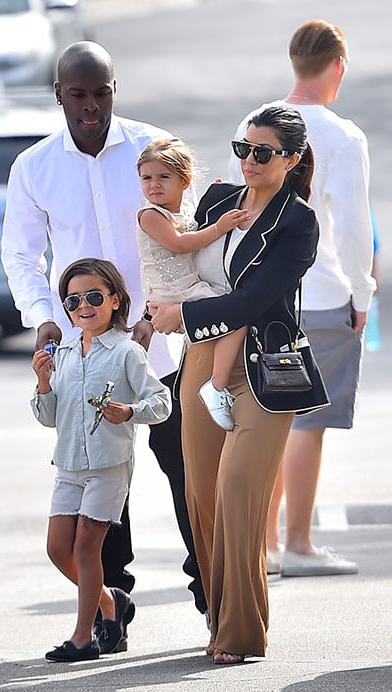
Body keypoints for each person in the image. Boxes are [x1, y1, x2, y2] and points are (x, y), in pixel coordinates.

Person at [1, 40, 208, 644]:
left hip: (163, 347)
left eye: (101, 93)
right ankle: (111, 609)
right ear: (59, 94)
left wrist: (160, 314)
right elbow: (21, 255)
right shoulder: (34, 167)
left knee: (188, 475)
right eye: (78, 94)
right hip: (84, 355)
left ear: (114, 91)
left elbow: (187, 235)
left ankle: (213, 599)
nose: (91, 106)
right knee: (98, 484)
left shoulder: (152, 149)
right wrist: (43, 315)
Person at [150, 105, 330, 663]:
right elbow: (175, 250)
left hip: (265, 367)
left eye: (263, 152)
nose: (249, 160)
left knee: (237, 492)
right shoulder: (217, 202)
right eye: (243, 148)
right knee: (201, 496)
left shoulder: (297, 222)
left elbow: (255, 300)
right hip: (202, 362)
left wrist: (185, 317)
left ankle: (241, 633)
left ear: (291, 159)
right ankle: (218, 615)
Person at [228, 20, 376, 577]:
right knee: (305, 421)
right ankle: (297, 544)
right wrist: (363, 292)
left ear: (295, 61)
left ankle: (263, 545)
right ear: (338, 65)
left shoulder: (254, 123)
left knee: (267, 413)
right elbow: (354, 229)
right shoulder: (343, 136)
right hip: (320, 292)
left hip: (260, 292)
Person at [31, 258, 171, 662]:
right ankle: (111, 603)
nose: (83, 307)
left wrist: (130, 411)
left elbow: (161, 401)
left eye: (94, 296)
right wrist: (43, 381)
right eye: (73, 301)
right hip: (69, 466)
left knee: (86, 549)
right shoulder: (66, 352)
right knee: (59, 548)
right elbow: (47, 417)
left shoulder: (128, 351)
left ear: (115, 300)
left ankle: (82, 637)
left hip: (109, 466)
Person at [136, 138, 248, 430]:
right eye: (146, 178)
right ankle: (217, 386)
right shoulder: (150, 215)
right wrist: (219, 226)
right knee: (237, 317)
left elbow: (195, 226)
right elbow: (181, 244)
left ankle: (215, 380)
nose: (153, 185)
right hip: (173, 291)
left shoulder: (183, 211)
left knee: (235, 310)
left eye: (163, 177)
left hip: (188, 285)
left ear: (184, 181)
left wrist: (217, 198)